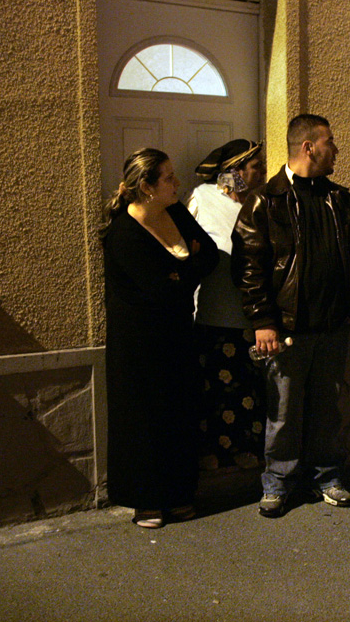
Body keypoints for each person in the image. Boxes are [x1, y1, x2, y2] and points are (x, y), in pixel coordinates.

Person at [232, 114, 350, 518]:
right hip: (288, 330)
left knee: (327, 409)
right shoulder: (266, 199)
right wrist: (263, 321)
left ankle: (327, 477)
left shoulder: (340, 198)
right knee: (284, 412)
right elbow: (248, 266)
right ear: (309, 147)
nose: (336, 150)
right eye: (330, 141)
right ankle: (277, 483)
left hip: (333, 326)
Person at [101, 148, 218, 528]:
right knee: (143, 420)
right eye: (168, 178)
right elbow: (158, 289)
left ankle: (179, 493)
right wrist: (185, 269)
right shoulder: (123, 233)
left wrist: (181, 272)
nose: (177, 183)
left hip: (179, 334)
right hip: (138, 345)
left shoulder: (178, 214)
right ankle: (147, 500)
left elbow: (210, 255)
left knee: (180, 413)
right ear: (147, 187)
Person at [186, 139, 267, 470]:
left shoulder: (261, 202)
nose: (261, 171)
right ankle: (213, 453)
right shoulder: (203, 198)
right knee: (215, 390)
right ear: (236, 170)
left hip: (252, 316)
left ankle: (247, 450)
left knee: (250, 389)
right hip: (213, 314)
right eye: (256, 166)